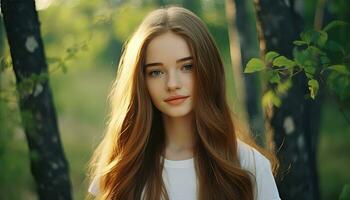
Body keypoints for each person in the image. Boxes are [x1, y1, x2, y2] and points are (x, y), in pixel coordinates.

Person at [87, 6, 280, 200]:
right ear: (141, 81)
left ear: (208, 70)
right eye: (156, 72)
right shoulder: (122, 169)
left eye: (187, 67)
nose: (172, 84)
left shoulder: (249, 166)